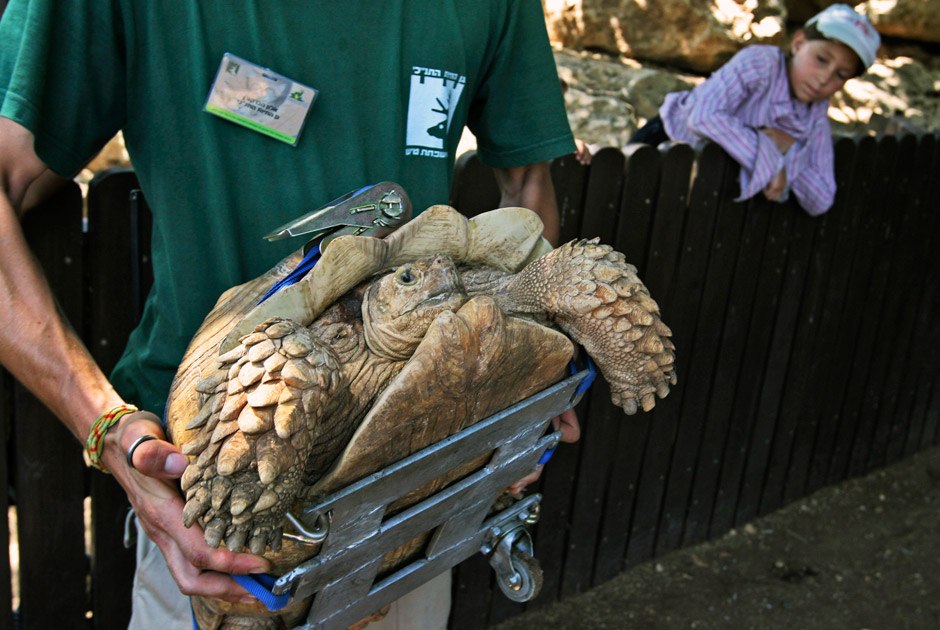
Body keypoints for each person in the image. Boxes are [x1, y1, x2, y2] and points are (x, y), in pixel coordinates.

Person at [0, 1, 580, 627]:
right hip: (213, 498)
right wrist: (107, 428)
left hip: (414, 492)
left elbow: (527, 190)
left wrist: (529, 377)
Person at [629, 4, 880, 216]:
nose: (825, 78)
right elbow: (702, 116)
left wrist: (790, 150)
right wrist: (772, 158)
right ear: (799, 43)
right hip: (665, 147)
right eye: (821, 59)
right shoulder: (761, 64)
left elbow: (822, 198)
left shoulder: (814, 117)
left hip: (707, 193)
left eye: (841, 74)